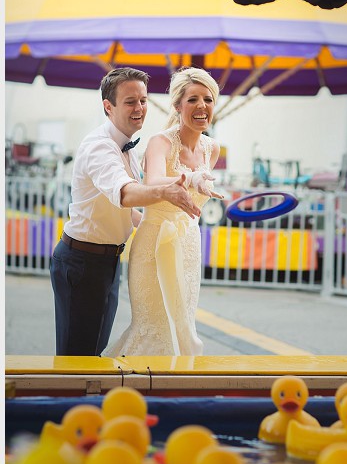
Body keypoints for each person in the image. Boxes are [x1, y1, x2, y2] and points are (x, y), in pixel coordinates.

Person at [50, 68, 201, 356]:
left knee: (94, 352)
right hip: (82, 262)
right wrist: (165, 191)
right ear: (108, 106)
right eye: (130, 101)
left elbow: (128, 212)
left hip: (107, 262)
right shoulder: (99, 146)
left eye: (143, 100)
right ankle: (65, 402)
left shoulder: (128, 146)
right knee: (76, 358)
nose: (140, 108)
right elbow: (126, 193)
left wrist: (159, 229)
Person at [106, 68, 225, 357]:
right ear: (177, 106)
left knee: (182, 325)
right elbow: (152, 181)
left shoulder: (213, 149)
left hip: (188, 245)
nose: (202, 107)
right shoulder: (161, 142)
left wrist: (202, 183)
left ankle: (173, 394)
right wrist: (189, 179)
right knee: (154, 326)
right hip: (154, 243)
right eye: (193, 99)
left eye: (208, 100)